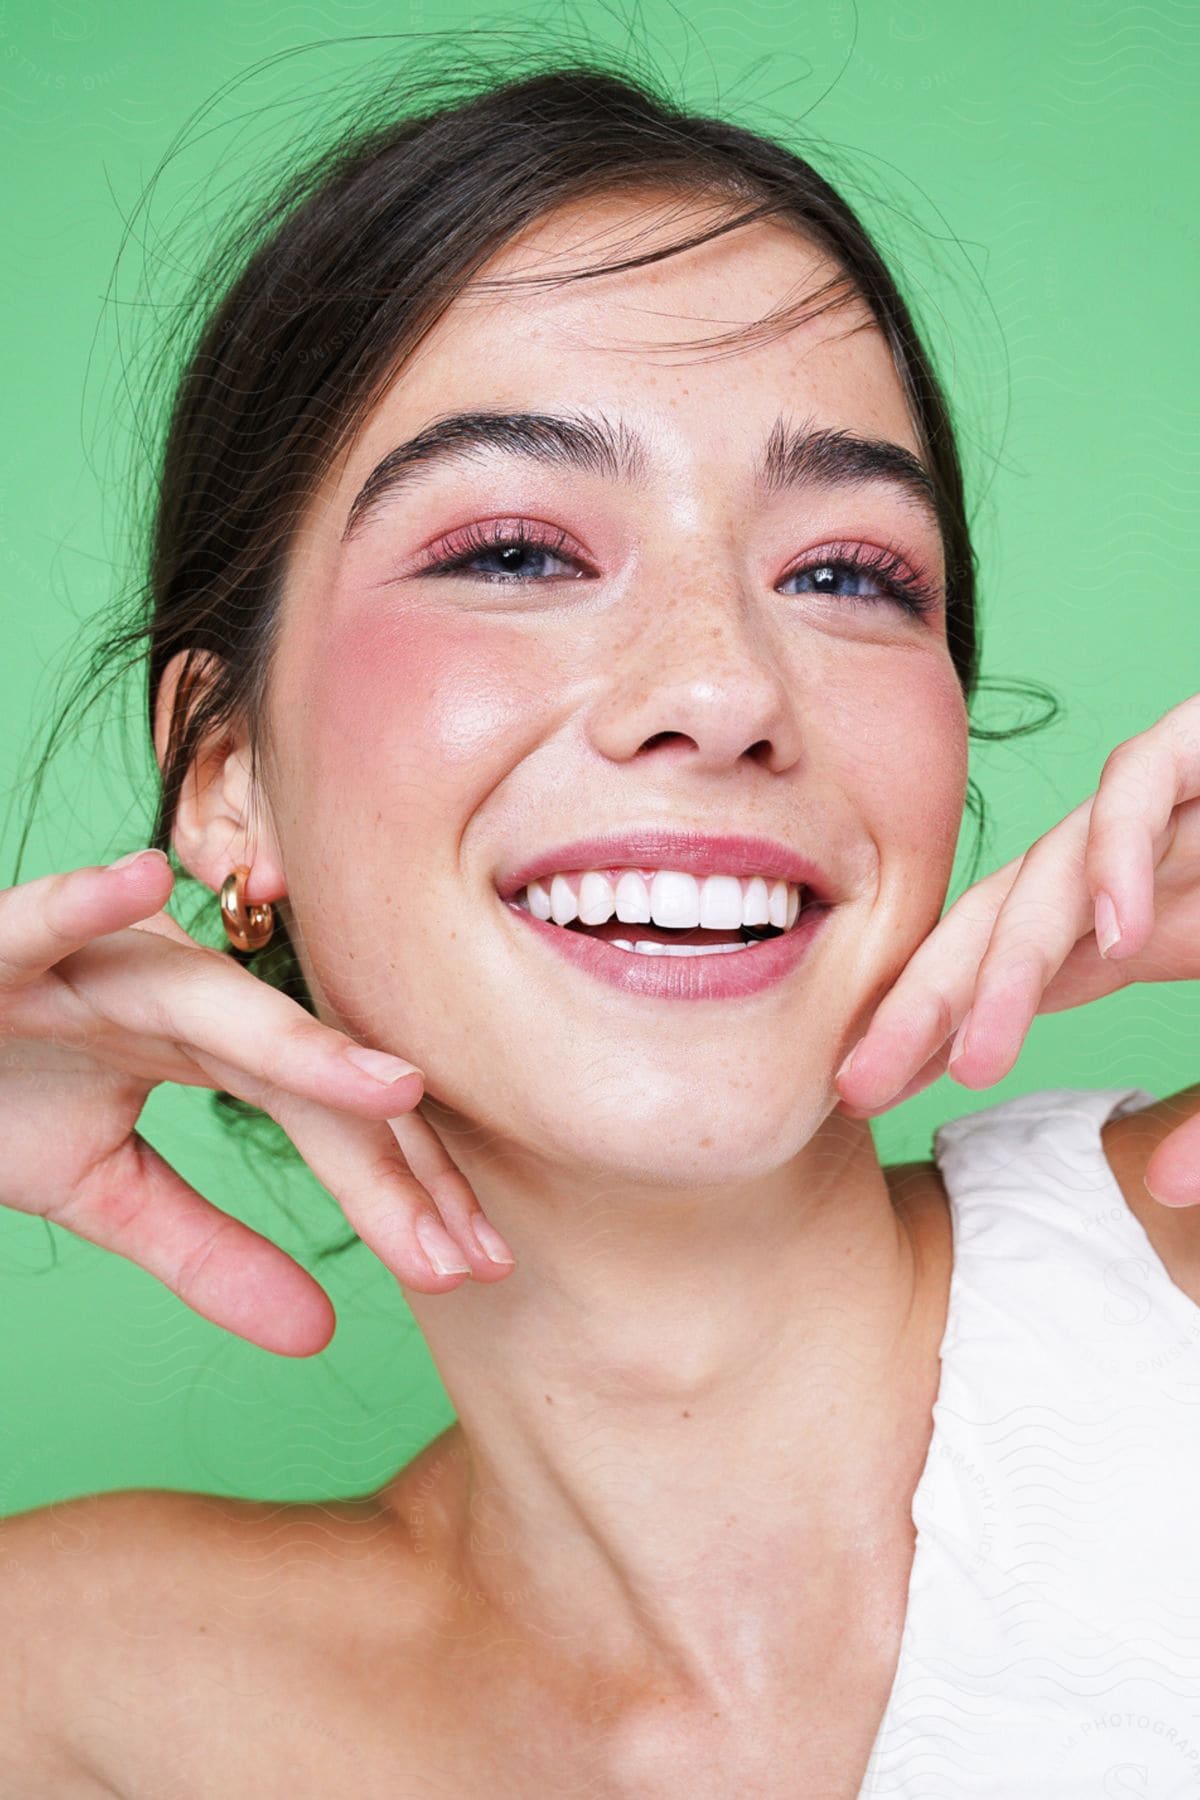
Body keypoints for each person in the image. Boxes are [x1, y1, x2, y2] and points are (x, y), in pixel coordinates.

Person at [2, 52, 1199, 1799]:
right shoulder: (80, 1689)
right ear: (228, 774)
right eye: (511, 551)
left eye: (850, 576)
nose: (721, 687)